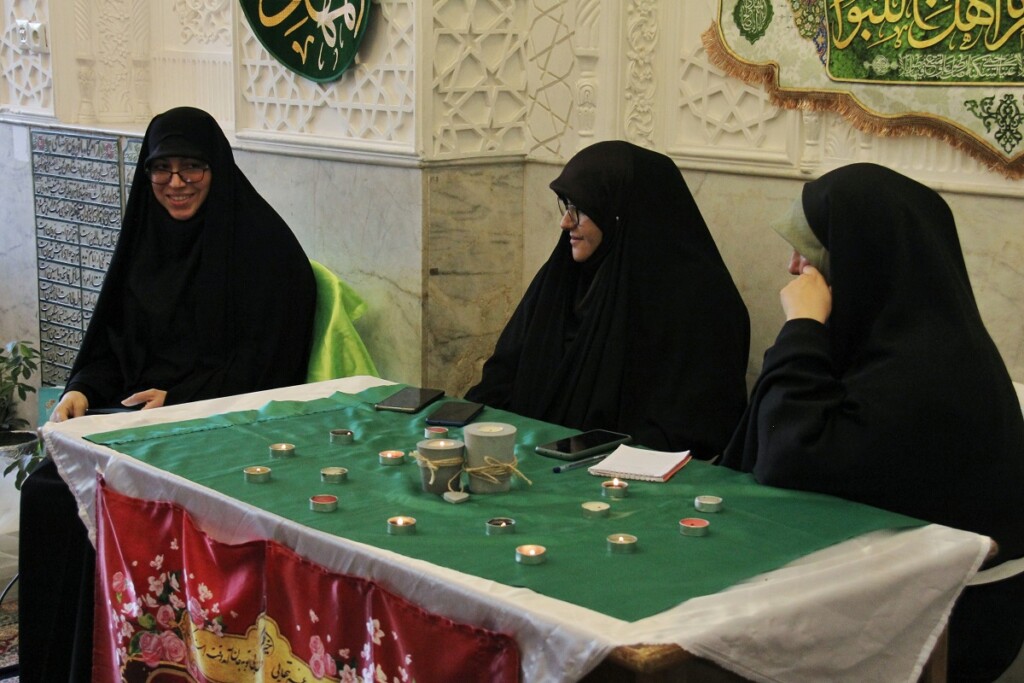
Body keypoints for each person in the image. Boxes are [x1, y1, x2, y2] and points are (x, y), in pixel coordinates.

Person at [20, 106, 316, 682]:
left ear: (216, 168)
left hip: (222, 426)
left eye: (191, 167)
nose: (175, 183)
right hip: (136, 419)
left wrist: (182, 398)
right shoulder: (147, 238)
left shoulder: (263, 247)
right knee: (49, 492)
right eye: (161, 168)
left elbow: (271, 361)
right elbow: (114, 339)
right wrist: (83, 387)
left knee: (98, 501)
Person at [719, 163, 1024, 681]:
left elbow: (789, 458)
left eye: (810, 250)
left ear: (861, 259)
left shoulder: (931, 368)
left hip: (949, 622)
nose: (793, 267)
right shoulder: (891, 339)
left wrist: (802, 326)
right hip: (885, 590)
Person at [466, 141, 750, 457]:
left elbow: (697, 427)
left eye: (581, 209)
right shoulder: (563, 277)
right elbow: (501, 377)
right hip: (527, 457)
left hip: (624, 473)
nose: (565, 222)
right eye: (566, 205)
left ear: (620, 213)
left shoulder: (702, 301)